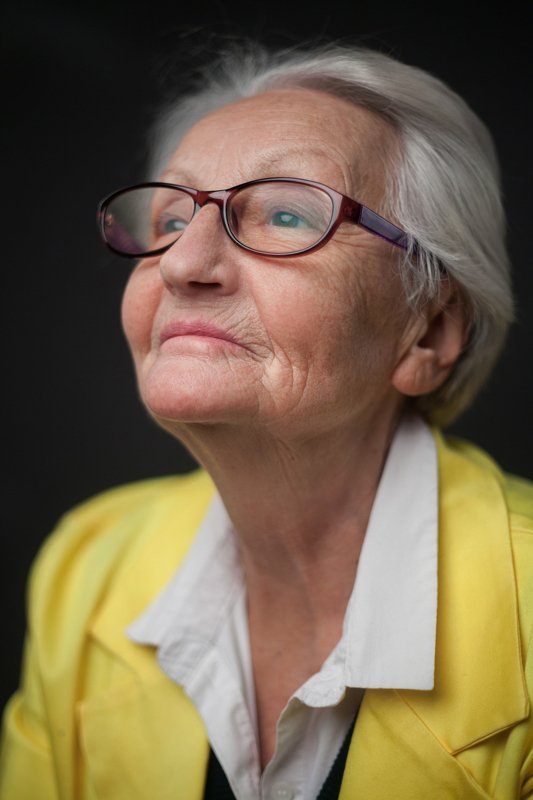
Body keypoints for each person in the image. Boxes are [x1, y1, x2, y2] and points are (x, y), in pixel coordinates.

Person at [1, 42, 531, 800]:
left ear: (427, 334)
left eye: (286, 214)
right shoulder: (86, 563)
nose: (184, 263)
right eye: (171, 218)